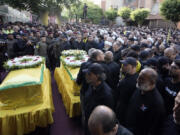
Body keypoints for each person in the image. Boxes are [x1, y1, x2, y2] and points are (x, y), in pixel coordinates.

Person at [125, 68, 166, 135]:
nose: (137, 80)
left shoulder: (157, 103)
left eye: (142, 79)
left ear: (152, 82)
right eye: (139, 77)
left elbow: (154, 128)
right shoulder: (140, 89)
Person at [82, 63, 114, 134]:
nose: (86, 76)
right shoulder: (91, 85)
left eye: (89, 74)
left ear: (97, 76)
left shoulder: (106, 94)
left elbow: (106, 118)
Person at [116, 57, 138, 124]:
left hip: (126, 111)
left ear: (133, 67)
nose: (123, 66)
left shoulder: (134, 81)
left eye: (125, 65)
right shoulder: (128, 76)